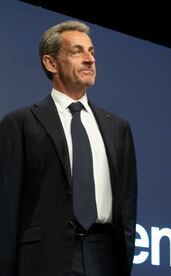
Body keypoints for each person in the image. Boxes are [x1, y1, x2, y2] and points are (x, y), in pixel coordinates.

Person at [0, 21, 137, 276]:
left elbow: (127, 209)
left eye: (92, 52)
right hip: (43, 258)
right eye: (77, 52)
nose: (89, 60)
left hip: (104, 255)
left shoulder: (118, 128)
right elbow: (5, 211)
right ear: (51, 63)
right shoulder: (19, 123)